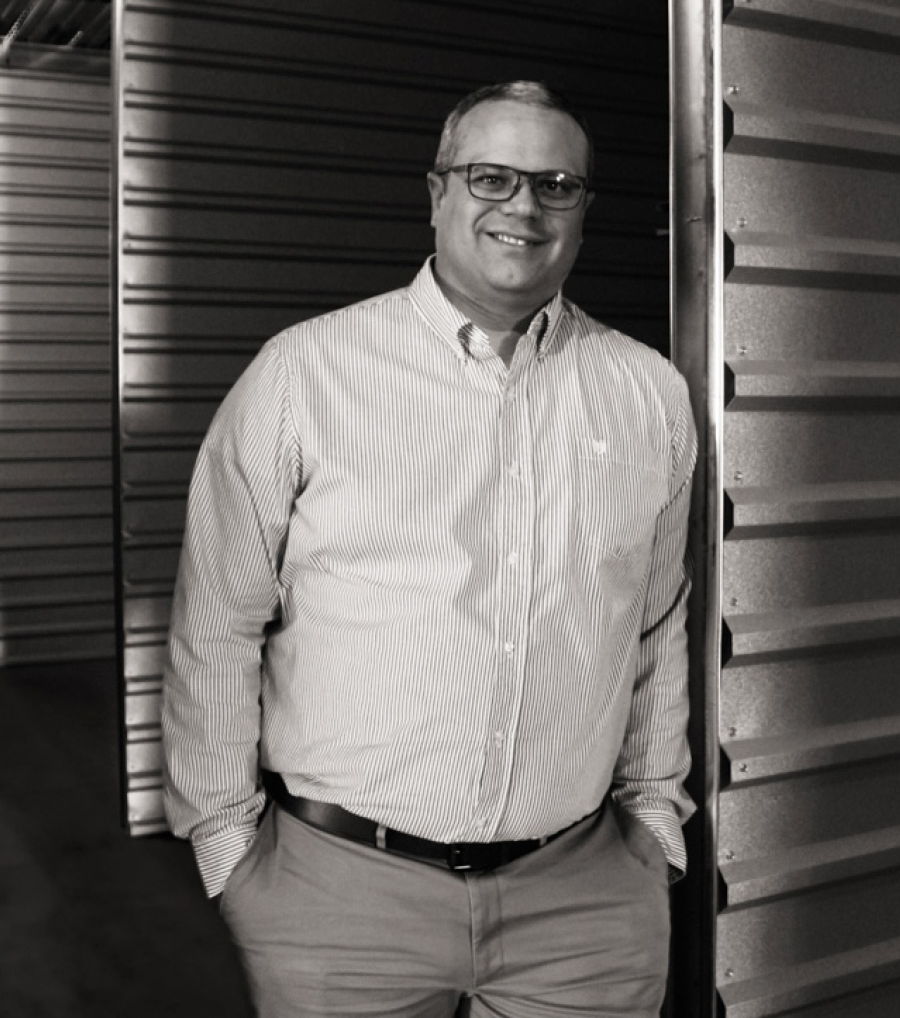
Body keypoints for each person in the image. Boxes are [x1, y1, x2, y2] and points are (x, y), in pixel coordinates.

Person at [162, 79, 697, 1018]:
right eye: (490, 176)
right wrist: (225, 844)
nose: (522, 206)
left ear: (583, 208)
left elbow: (655, 623)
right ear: (438, 192)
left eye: (555, 183)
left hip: (585, 902)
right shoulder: (304, 374)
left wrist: (654, 819)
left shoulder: (649, 393)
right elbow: (217, 619)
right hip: (337, 898)